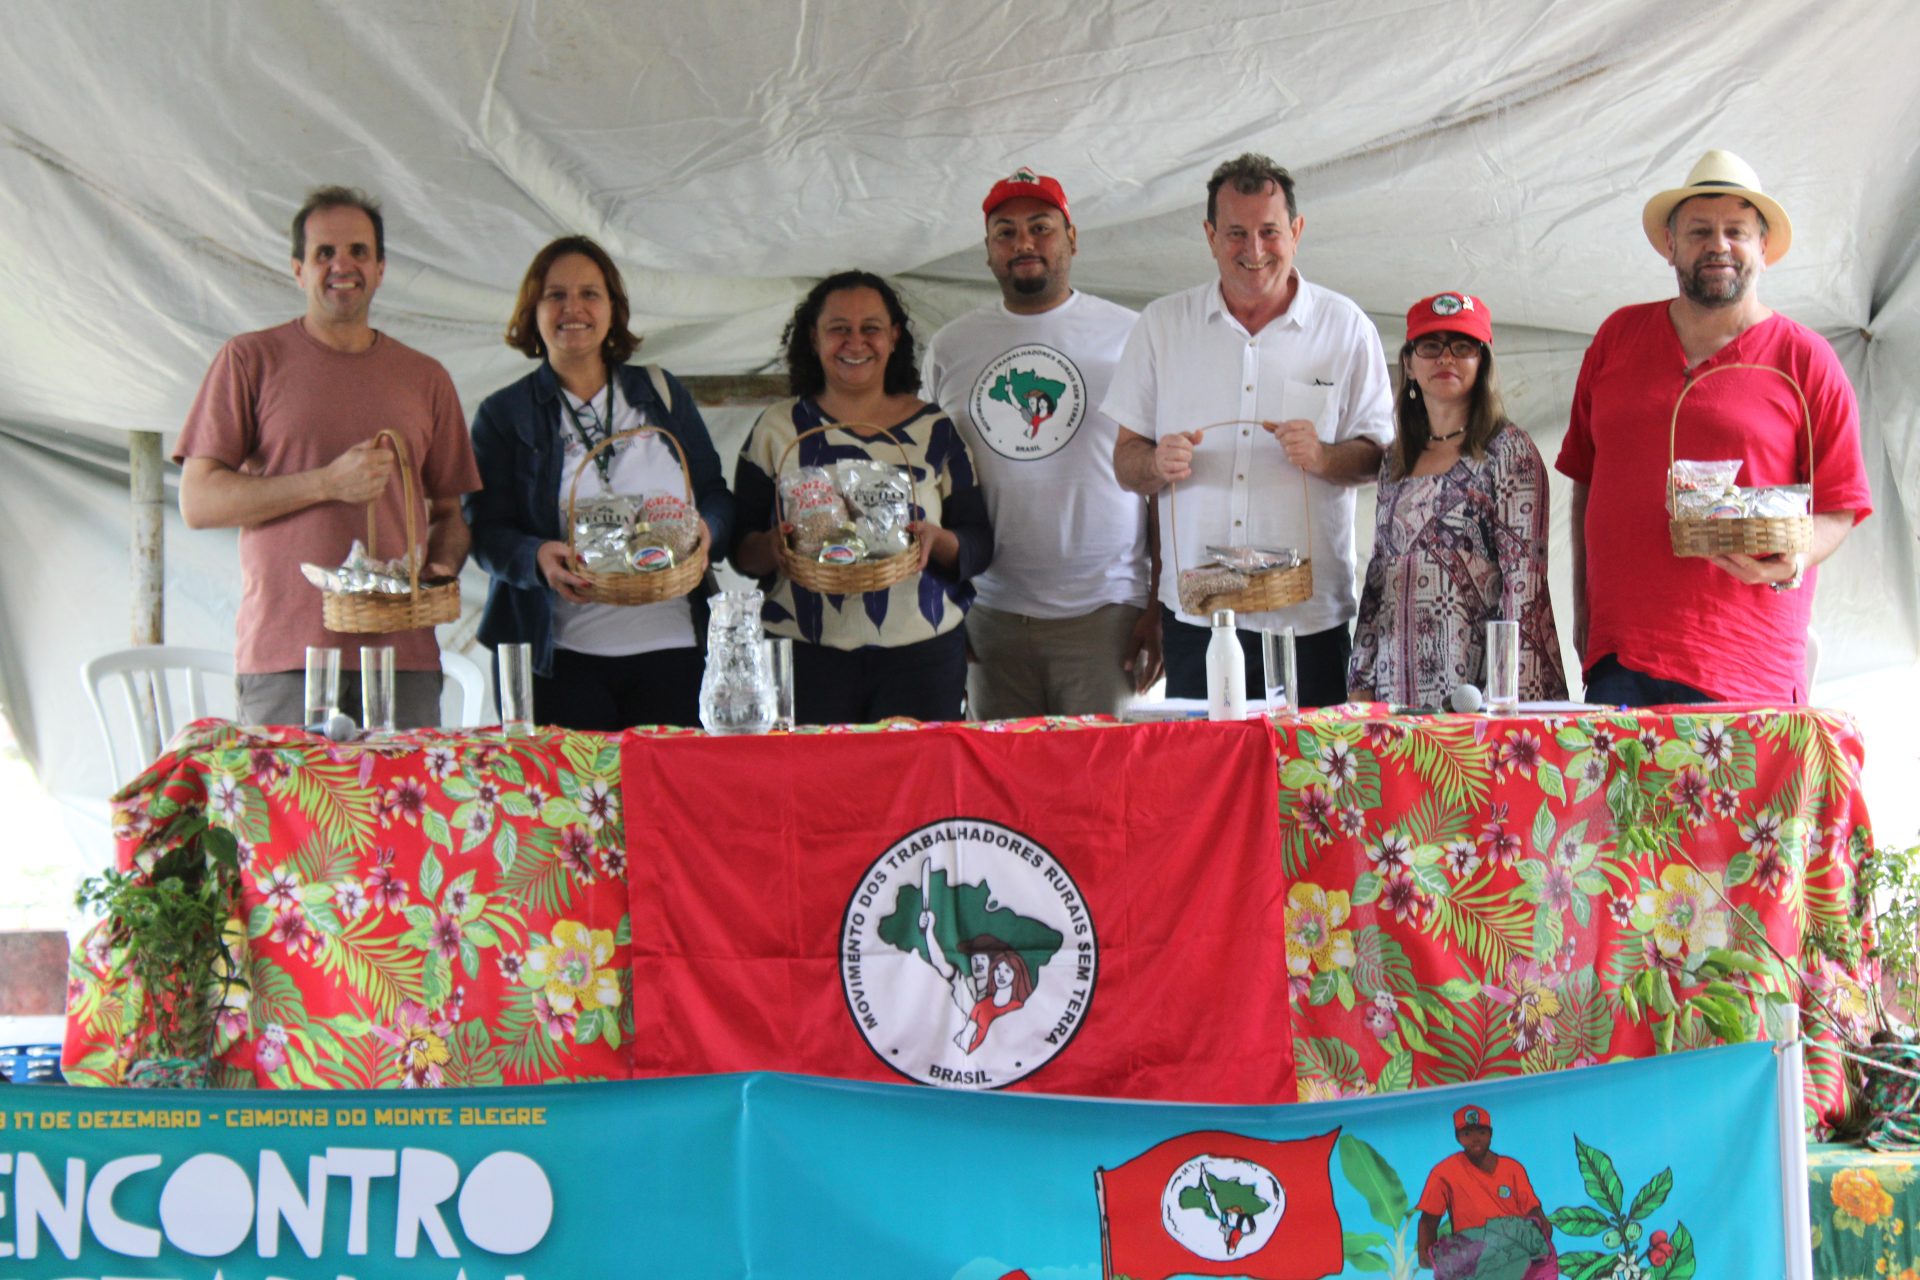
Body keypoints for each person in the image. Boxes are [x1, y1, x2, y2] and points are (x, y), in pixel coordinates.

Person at [1556, 150, 1873, 705]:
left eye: (1737, 231)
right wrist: (1583, 609)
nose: (1718, 245)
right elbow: (1587, 480)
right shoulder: (1617, 337)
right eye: (1700, 231)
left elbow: (1840, 505)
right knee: (1619, 798)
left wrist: (1791, 559)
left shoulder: (1806, 360)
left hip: (1747, 667)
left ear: (1764, 249)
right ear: (1671, 246)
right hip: (1618, 658)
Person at [177, 185, 479, 729]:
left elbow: (451, 515)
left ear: (381, 268)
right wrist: (325, 483)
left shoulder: (425, 377)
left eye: (359, 252)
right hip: (287, 658)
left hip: (402, 659)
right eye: (325, 253)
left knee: (406, 815)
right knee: (291, 816)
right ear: (298, 270)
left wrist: (439, 569)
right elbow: (198, 502)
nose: (343, 265)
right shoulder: (249, 360)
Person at [1106, 154, 1393, 706]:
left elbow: (1379, 459)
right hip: (1197, 615)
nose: (1254, 251)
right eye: (1236, 232)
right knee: (1209, 782)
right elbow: (1125, 465)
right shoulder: (1163, 325)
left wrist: (1326, 457)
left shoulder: (1346, 326)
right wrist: (1154, 463)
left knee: (1309, 783)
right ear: (1211, 236)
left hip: (1308, 617)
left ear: (1297, 232)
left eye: (1269, 232)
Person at [464, 236, 734, 730]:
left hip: (675, 649)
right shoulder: (504, 414)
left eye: (590, 294)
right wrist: (535, 557)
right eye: (556, 295)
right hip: (558, 659)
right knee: (570, 806)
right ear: (533, 310)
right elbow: (482, 530)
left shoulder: (661, 394)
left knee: (669, 803)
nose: (574, 308)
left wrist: (708, 532)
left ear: (613, 309)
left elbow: (717, 495)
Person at [921, 167, 1158, 717]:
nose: (1023, 243)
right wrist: (946, 608)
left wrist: (1157, 605)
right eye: (1005, 231)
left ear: (1071, 238)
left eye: (1040, 227)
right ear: (987, 251)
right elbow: (925, 485)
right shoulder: (950, 347)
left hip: (1107, 616)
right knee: (1000, 797)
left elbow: (1162, 483)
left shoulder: (1131, 333)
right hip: (989, 618)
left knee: (1102, 793)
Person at [730, 271, 992, 724]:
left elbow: (979, 542)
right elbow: (739, 549)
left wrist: (937, 541)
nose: (856, 342)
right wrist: (774, 546)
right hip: (805, 654)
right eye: (839, 329)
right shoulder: (777, 429)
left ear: (893, 337)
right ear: (814, 338)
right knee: (815, 790)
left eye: (871, 328)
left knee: (917, 790)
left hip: (921, 656)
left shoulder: (935, 429)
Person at [1349, 294, 1567, 707]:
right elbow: (1377, 578)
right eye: (1431, 346)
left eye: (1462, 346)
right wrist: (1361, 675)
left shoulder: (1508, 452)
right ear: (1409, 363)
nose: (1446, 357)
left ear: (1482, 362)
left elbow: (1524, 587)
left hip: (1477, 690)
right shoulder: (1396, 460)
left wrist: (1502, 696)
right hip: (1395, 687)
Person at [1416, 1105, 1555, 1279]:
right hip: (1473, 1255)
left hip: (1514, 1250)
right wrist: (1428, 1255)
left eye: (1481, 1132)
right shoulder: (1443, 1173)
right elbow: (1428, 1221)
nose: (1475, 1139)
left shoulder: (1512, 1168)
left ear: (1490, 1134)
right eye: (1467, 1133)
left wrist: (1541, 1228)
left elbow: (1533, 1210)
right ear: (1458, 1137)